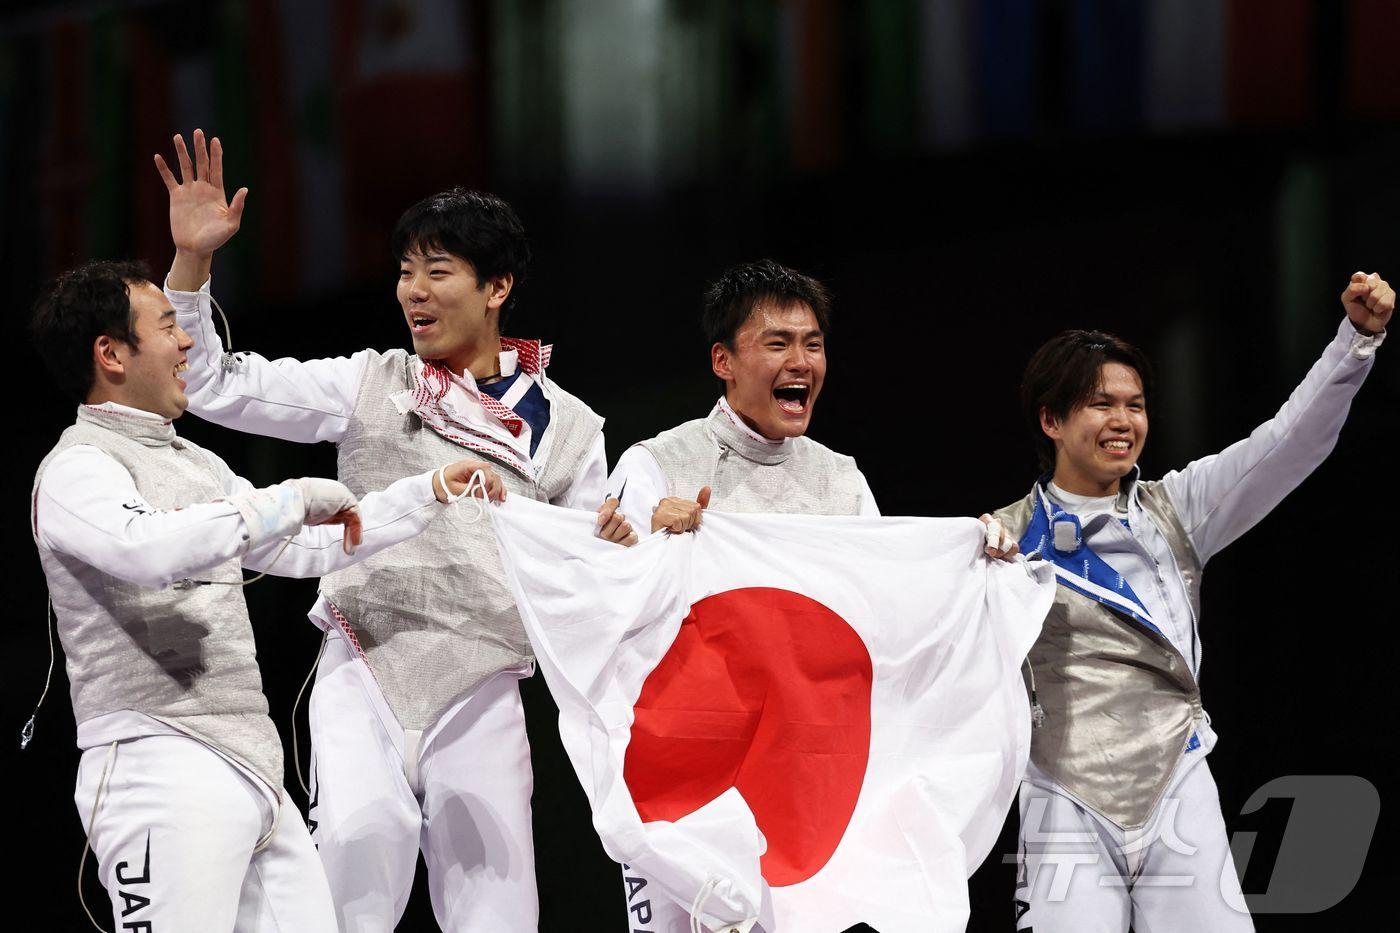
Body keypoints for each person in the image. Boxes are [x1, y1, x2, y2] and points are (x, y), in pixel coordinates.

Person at [154, 129, 634, 931]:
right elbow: (210, 383)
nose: (413, 289)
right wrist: (191, 266)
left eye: (437, 271)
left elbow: (585, 585)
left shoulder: (571, 430)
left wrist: (616, 548)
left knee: (501, 914)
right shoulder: (371, 381)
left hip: (482, 683)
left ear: (497, 286)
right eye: (406, 270)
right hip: (362, 665)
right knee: (348, 879)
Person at [29, 259, 502, 933]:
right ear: (110, 353)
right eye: (167, 326)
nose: (186, 342)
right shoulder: (75, 469)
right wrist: (283, 502)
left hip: (251, 769)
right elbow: (148, 550)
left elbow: (303, 544)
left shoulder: (196, 463)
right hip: (155, 766)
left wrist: (424, 493)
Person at [605, 258, 1017, 931]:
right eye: (777, 343)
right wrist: (644, 544)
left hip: (798, 778)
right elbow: (609, 613)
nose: (801, 360)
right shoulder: (657, 465)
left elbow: (888, 615)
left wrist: (968, 558)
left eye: (813, 343)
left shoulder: (841, 481)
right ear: (723, 360)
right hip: (684, 778)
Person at [992, 272, 1391, 932]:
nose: (1123, 420)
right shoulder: (1000, 538)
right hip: (1065, 793)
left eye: (1136, 404)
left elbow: (1286, 443)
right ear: (1052, 419)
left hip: (1178, 783)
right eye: (1101, 404)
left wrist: (1356, 340)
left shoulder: (1176, 509)